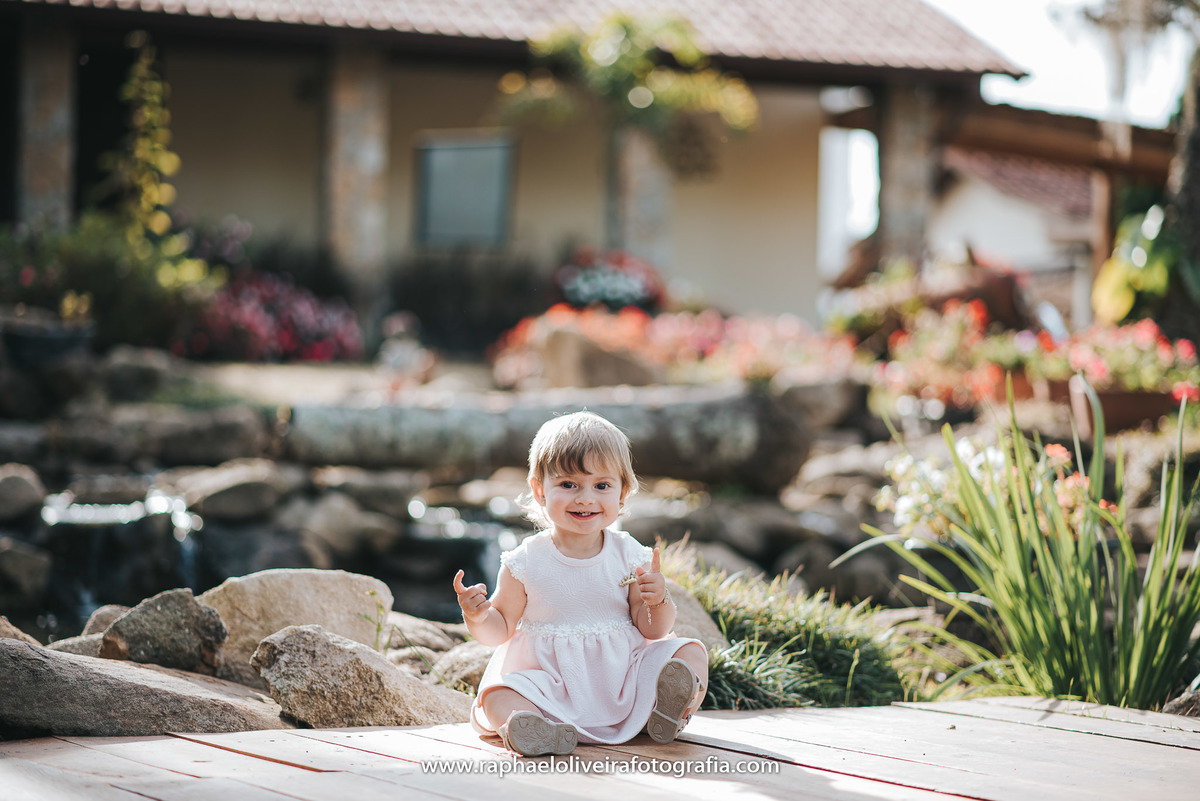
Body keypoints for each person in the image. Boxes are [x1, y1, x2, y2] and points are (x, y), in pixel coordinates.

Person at [453, 411, 708, 757]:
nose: (585, 498)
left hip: (622, 678)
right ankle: (533, 727)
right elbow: (500, 631)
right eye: (569, 484)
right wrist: (479, 617)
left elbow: (653, 630)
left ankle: (666, 711)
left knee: (690, 651)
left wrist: (657, 601)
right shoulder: (525, 561)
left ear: (623, 493)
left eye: (601, 485)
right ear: (540, 491)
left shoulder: (630, 554)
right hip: (550, 684)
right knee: (496, 693)